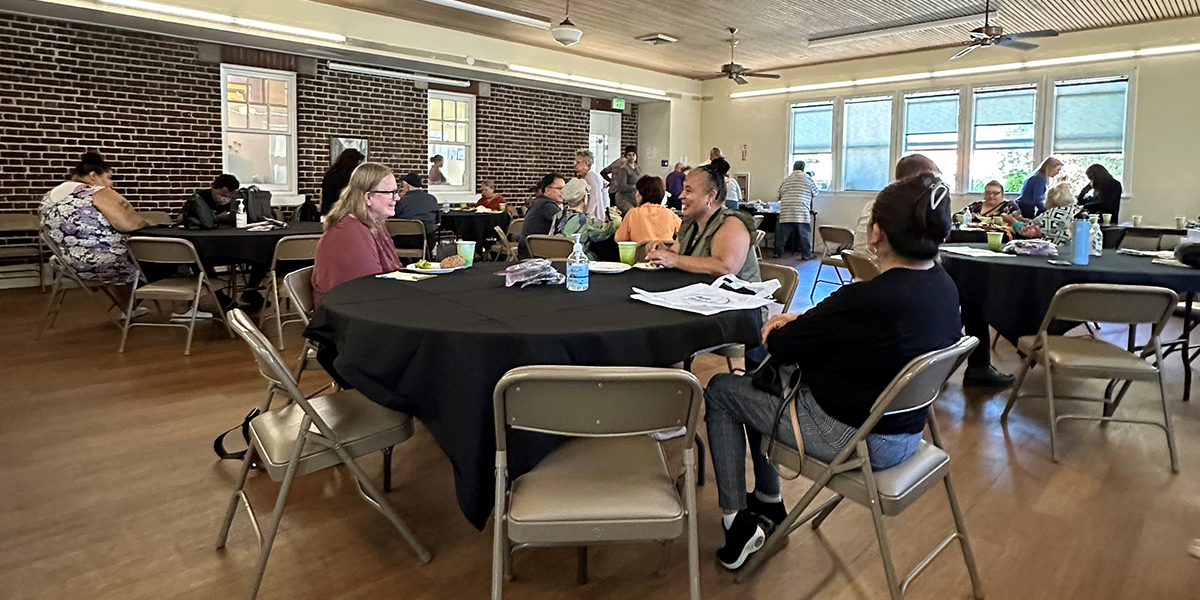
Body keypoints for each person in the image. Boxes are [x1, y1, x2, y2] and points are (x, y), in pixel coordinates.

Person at [704, 173, 961, 570]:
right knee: (757, 386)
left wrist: (793, 325)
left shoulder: (867, 299)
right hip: (906, 431)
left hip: (856, 439)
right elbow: (855, 331)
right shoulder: (943, 286)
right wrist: (811, 320)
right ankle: (769, 502)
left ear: (875, 233)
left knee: (723, 388)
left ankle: (737, 524)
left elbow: (782, 345)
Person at [40, 151, 149, 312]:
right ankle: (181, 309)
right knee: (156, 257)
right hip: (103, 264)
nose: (111, 183)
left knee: (122, 258)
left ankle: (128, 308)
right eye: (109, 177)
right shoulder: (97, 192)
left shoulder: (49, 197)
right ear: (93, 176)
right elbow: (129, 224)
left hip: (67, 265)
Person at [644, 158, 759, 282]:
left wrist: (674, 260)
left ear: (711, 196)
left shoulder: (732, 223)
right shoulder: (690, 223)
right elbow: (676, 257)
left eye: (688, 190)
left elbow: (726, 268)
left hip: (738, 297)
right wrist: (663, 253)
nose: (681, 196)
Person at [311, 163, 402, 306]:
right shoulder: (350, 233)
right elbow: (369, 289)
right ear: (368, 198)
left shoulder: (374, 223)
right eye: (391, 192)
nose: (397, 198)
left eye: (397, 191)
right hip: (348, 316)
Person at [853, 154, 939, 251]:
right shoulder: (903, 208)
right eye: (931, 181)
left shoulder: (875, 203)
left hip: (857, 264)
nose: (934, 186)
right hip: (880, 263)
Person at [555, 178, 619, 260]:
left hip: (558, 260)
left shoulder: (557, 216)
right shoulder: (586, 221)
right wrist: (614, 218)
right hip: (580, 261)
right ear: (584, 198)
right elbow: (607, 231)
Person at [615, 175, 681, 243]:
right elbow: (684, 232)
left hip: (640, 253)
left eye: (637, 191)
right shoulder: (670, 214)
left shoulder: (633, 214)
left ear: (641, 195)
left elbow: (619, 238)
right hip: (664, 252)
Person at [1008, 182, 1077, 245]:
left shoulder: (1051, 214)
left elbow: (1027, 230)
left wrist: (1012, 221)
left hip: (1056, 251)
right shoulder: (1075, 210)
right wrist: (1021, 219)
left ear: (1051, 200)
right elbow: (1036, 224)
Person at [775, 160, 817, 259]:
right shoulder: (808, 179)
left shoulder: (787, 179)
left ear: (794, 168)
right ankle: (806, 254)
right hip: (800, 209)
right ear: (803, 168)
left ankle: (777, 252)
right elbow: (815, 192)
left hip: (786, 210)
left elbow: (779, 194)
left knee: (781, 235)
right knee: (804, 234)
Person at [519, 173, 565, 258]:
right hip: (537, 255)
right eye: (560, 188)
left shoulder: (540, 202)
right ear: (547, 190)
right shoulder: (547, 205)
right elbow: (566, 223)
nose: (563, 192)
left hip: (528, 251)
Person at [395, 172, 441, 254]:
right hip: (426, 242)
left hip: (403, 242)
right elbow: (438, 221)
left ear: (407, 186)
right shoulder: (431, 199)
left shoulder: (401, 201)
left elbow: (394, 220)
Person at [321, 149, 364, 214]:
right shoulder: (353, 176)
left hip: (328, 211)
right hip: (345, 212)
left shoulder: (330, 174)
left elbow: (323, 195)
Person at [574, 149, 608, 221]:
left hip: (593, 214)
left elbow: (594, 197)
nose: (575, 164)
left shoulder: (589, 177)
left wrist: (587, 214)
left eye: (578, 162)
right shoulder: (591, 176)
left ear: (586, 163)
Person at [613, 148, 643, 214]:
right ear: (626, 156)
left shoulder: (638, 168)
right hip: (624, 199)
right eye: (629, 155)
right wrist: (635, 187)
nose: (632, 157)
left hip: (635, 197)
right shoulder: (623, 169)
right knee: (632, 214)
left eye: (633, 155)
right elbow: (622, 187)